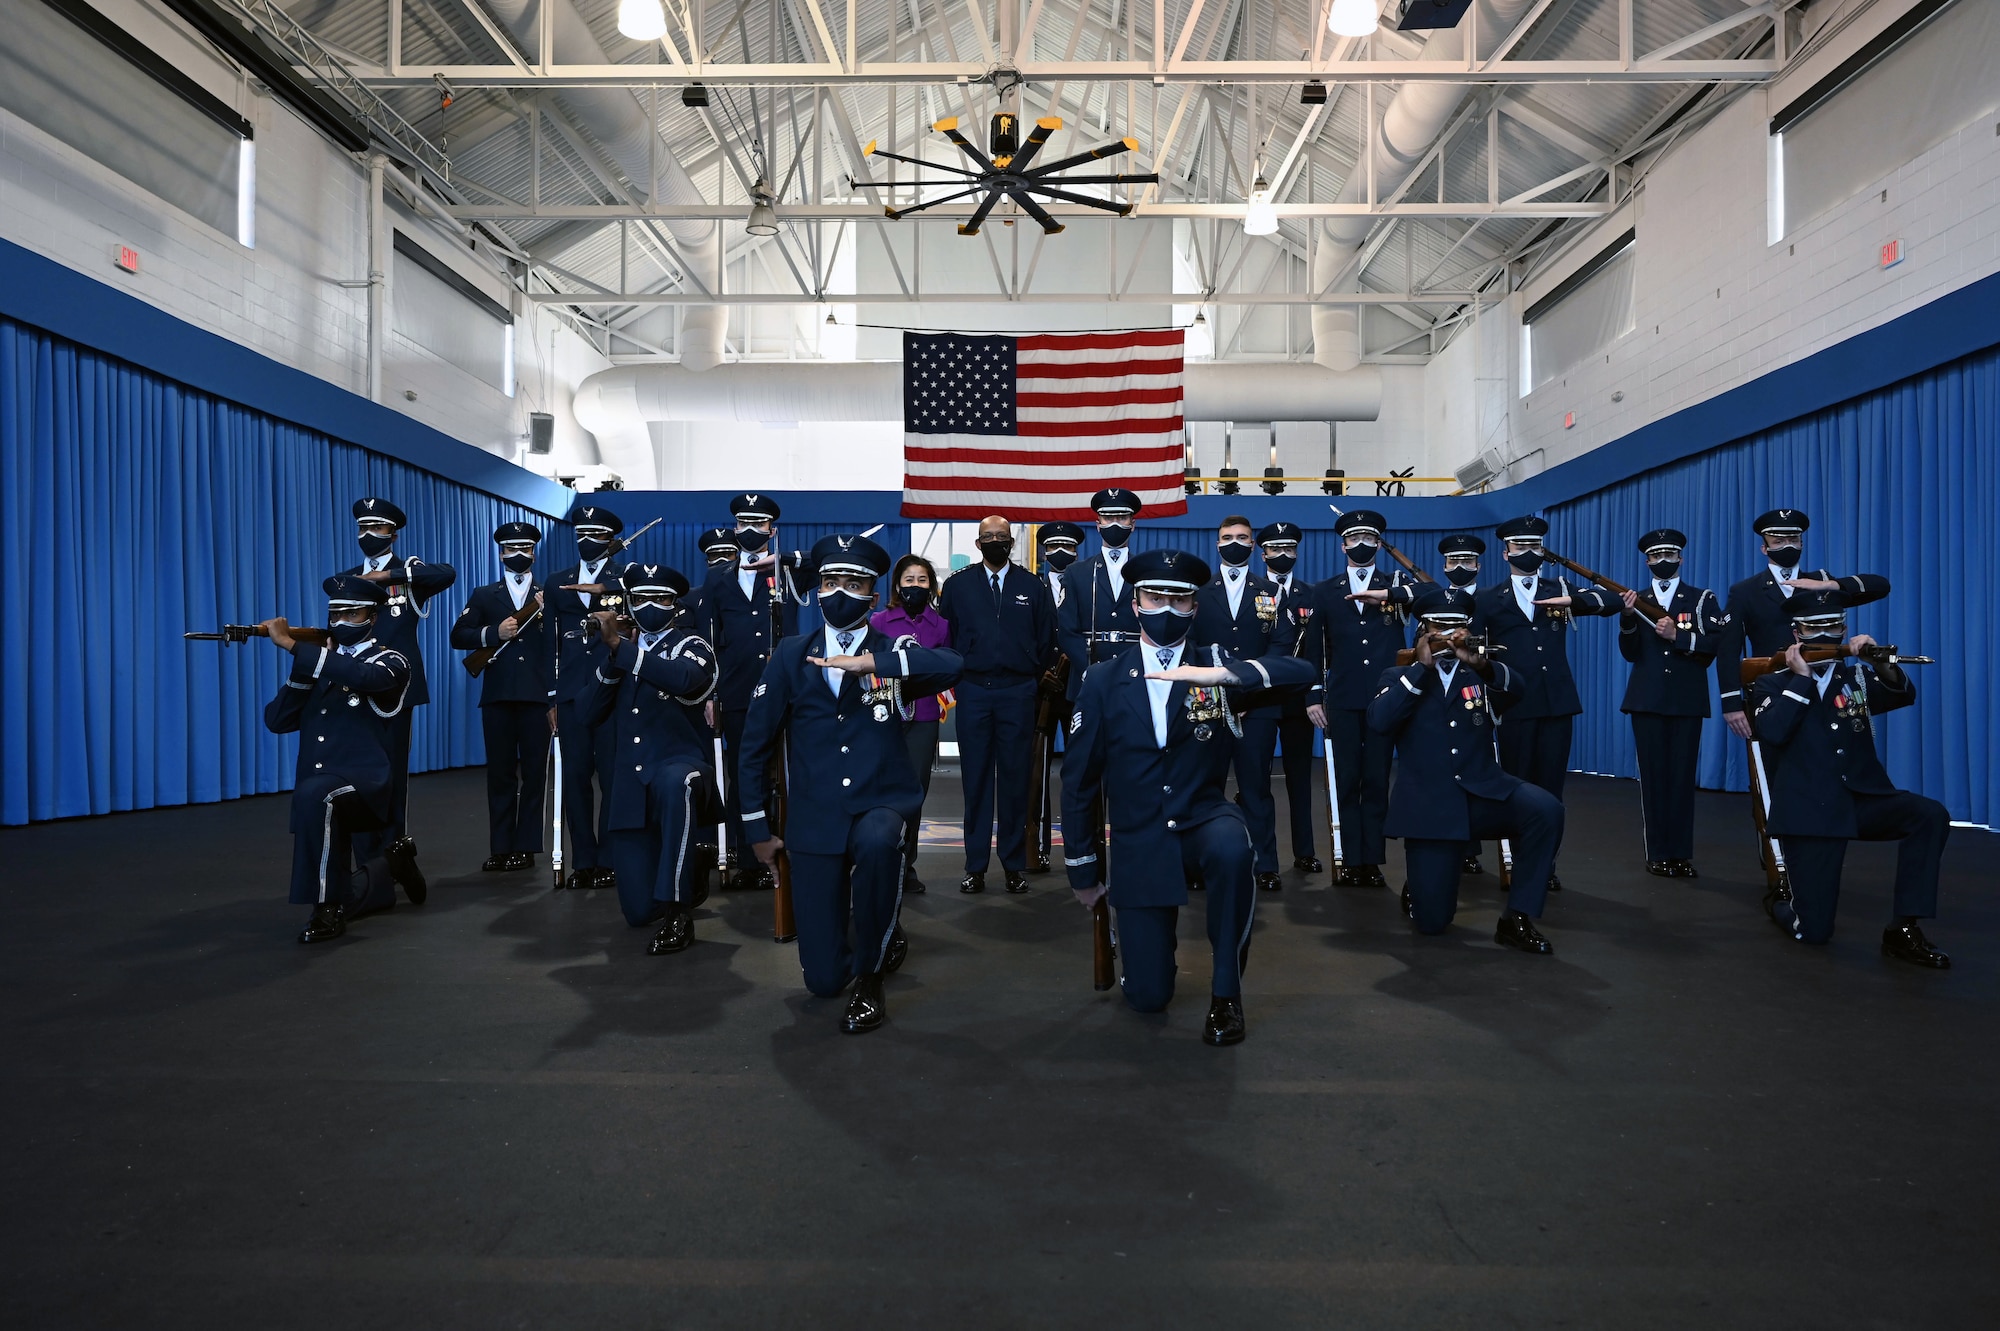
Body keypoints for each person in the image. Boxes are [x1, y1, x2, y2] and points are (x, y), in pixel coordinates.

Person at [1062, 549, 1315, 1046]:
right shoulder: (1102, 680)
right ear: (1135, 603)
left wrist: (1225, 676)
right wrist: (1083, 871)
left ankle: (1226, 994)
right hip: (1140, 839)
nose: (1167, 610)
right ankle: (1142, 950)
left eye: (1180, 601)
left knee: (1233, 845)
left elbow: (1300, 672)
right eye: (1155, 597)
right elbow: (1079, 781)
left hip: (1201, 820)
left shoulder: (1217, 670)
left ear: (1196, 608)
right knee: (1148, 997)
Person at [740, 534, 963, 1034]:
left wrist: (875, 664)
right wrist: (757, 827)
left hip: (879, 802)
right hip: (816, 817)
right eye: (831, 581)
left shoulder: (893, 650)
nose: (841, 591)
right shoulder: (791, 656)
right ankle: (876, 932)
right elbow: (754, 744)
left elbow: (952, 664)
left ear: (872, 591)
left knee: (881, 843)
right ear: (817, 589)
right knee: (821, 980)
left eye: (854, 583)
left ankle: (871, 975)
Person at [1748, 591, 1949, 966]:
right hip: (1811, 812)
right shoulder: (1772, 683)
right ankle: (1780, 900)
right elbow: (1772, 733)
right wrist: (1802, 679)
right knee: (1814, 934)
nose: (1827, 635)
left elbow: (1900, 694)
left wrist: (1882, 661)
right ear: (1796, 633)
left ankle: (1904, 928)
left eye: (1835, 626)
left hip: (1861, 799)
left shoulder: (1853, 674)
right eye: (1814, 628)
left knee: (1928, 814)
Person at [1366, 586, 1564, 954]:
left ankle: (1516, 917)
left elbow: (1519, 689)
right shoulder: (1397, 676)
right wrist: (1421, 670)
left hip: (1482, 795)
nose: (1448, 635)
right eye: (1440, 627)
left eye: (1457, 627)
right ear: (1422, 629)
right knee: (1432, 924)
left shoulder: (1479, 674)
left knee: (1545, 809)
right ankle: (1422, 880)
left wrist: (1482, 664)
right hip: (1431, 809)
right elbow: (1379, 721)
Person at [260, 575, 415, 943]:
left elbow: (363, 676)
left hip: (366, 784)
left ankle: (325, 908)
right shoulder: (320, 664)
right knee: (316, 796)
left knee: (317, 795)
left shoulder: (392, 660)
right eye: (335, 614)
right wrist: (303, 669)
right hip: (321, 781)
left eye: (352, 613)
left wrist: (300, 650)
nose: (341, 621)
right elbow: (277, 720)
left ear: (373, 618)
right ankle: (388, 868)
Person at [1473, 515, 1621, 890]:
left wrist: (1572, 600)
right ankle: (1516, 862)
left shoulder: (1560, 587)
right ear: (1506, 552)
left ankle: (1544, 866)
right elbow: (1473, 650)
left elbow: (1612, 600)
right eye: (1520, 547)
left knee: (1551, 791)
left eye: (1534, 547)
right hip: (1512, 704)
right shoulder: (1489, 598)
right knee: (1516, 787)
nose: (1527, 553)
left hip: (1556, 703)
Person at [581, 563, 722, 953]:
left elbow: (684, 680)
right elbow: (587, 713)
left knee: (675, 784)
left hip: (679, 764)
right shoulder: (619, 652)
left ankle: (679, 913)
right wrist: (612, 658)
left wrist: (623, 651)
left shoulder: (691, 645)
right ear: (628, 603)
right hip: (631, 781)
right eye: (641, 598)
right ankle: (691, 868)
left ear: (675, 605)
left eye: (659, 598)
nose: (650, 606)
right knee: (638, 912)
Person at [936, 515, 1059, 894]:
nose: (995, 541)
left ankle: (1012, 865)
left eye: (1002, 537)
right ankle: (975, 866)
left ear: (1011, 542)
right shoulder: (957, 586)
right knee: (974, 782)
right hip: (973, 691)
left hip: (1017, 692)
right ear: (978, 544)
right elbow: (948, 635)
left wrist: (1029, 676)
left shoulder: (1031, 586)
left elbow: (1046, 638)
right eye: (988, 536)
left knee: (1013, 781)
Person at [341, 497, 455, 896]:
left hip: (395, 690)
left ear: (393, 532)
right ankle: (365, 866)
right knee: (356, 778)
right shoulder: (347, 579)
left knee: (390, 779)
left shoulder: (408, 575)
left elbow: (447, 574)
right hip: (354, 688)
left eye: (378, 528)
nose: (368, 535)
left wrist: (391, 575)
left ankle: (393, 857)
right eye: (362, 528)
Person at [1300, 510, 1415, 889]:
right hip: (1344, 697)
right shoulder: (1324, 591)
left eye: (1369, 538)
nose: (1361, 545)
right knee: (1347, 779)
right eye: (1354, 539)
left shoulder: (1396, 586)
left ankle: (1373, 860)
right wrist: (1314, 694)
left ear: (1379, 544)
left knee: (1377, 778)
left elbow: (1435, 595)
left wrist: (1391, 594)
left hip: (1385, 699)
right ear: (1343, 544)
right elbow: (1314, 649)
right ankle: (1350, 858)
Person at [703, 493, 812, 888]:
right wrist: (712, 694)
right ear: (734, 529)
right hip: (734, 690)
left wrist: (786, 559)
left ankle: (788, 853)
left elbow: (822, 561)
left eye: (759, 524)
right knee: (740, 776)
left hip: (783, 689)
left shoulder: (787, 572)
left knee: (782, 775)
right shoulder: (718, 577)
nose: (750, 531)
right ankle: (746, 860)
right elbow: (709, 638)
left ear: (772, 530)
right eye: (743, 524)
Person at [1714, 509, 1891, 738]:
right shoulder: (1745, 591)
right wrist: (1731, 703)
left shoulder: (1821, 580)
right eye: (1778, 541)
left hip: (1826, 687)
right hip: (1774, 690)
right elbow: (1728, 649)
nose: (1787, 546)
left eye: (1794, 540)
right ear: (1764, 548)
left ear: (1802, 543)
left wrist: (1831, 586)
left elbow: (1881, 586)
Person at [1617, 528, 1726, 878]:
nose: (1663, 561)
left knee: (1681, 780)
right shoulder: (1637, 599)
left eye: (1670, 554)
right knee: (1653, 780)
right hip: (1646, 700)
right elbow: (1630, 653)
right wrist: (1629, 619)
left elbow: (1714, 646)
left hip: (1685, 700)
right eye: (1656, 556)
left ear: (1681, 557)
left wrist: (1677, 636)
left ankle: (1681, 853)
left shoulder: (1701, 599)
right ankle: (1658, 853)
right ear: (1647, 560)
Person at [1194, 515, 1293, 892]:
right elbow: (1189, 642)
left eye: (1242, 538)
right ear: (1217, 543)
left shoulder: (1270, 591)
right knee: (1206, 786)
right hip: (1209, 704)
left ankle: (1265, 864)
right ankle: (1201, 863)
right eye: (1227, 537)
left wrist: (1249, 689)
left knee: (1256, 788)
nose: (1234, 543)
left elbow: (1281, 646)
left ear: (1254, 546)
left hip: (1259, 706)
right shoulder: (1200, 590)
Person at [450, 522, 555, 873]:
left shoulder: (549, 594)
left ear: (534, 552)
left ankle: (525, 847)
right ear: (500, 553)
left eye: (525, 548)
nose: (519, 554)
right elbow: (458, 635)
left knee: (536, 774)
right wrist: (493, 633)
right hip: (497, 696)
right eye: (511, 548)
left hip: (538, 696)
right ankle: (500, 846)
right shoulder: (484, 594)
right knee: (500, 773)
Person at [544, 505, 628, 891]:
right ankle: (585, 861)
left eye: (595, 535)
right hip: (572, 695)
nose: (586, 542)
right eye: (581, 534)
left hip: (613, 691)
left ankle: (611, 858)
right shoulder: (558, 581)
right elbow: (549, 646)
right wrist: (551, 697)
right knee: (575, 780)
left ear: (610, 541)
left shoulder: (624, 579)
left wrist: (608, 590)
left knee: (612, 779)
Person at [872, 554, 950, 894]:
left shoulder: (941, 626)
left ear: (930, 585)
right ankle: (879, 861)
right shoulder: (879, 622)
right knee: (882, 790)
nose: (915, 586)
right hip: (884, 717)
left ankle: (907, 866)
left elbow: (948, 669)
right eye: (909, 580)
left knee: (915, 792)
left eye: (921, 580)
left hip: (924, 717)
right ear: (897, 585)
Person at [1256, 521, 1322, 874]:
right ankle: (1263, 858)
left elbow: (1317, 651)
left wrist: (1314, 692)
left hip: (1299, 698)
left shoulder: (1310, 595)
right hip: (1262, 698)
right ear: (1262, 552)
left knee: (1300, 778)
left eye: (1290, 549)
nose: (1284, 555)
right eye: (1276, 549)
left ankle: (1305, 851)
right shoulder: (1252, 591)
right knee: (1257, 780)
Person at [1056, 488, 1144, 706]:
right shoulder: (1076, 573)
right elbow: (1067, 629)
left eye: (1122, 517)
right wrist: (1088, 669)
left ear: (1132, 525)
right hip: (1088, 675)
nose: (1114, 523)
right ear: (1098, 524)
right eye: (1108, 517)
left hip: (1135, 675)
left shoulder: (1145, 572)